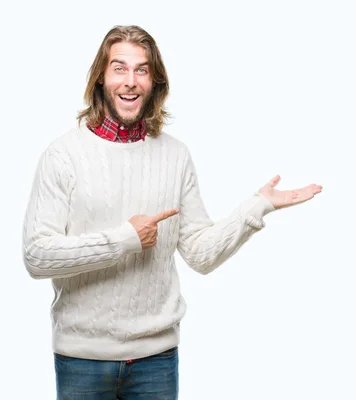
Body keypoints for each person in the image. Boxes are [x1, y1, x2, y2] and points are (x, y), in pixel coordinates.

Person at [21, 25, 322, 399]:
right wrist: (125, 240)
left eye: (142, 70)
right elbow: (37, 256)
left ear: (154, 81)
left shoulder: (175, 155)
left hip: (156, 360)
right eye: (119, 68)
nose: (130, 81)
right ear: (101, 77)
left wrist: (256, 208)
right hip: (83, 360)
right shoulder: (63, 155)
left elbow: (199, 254)